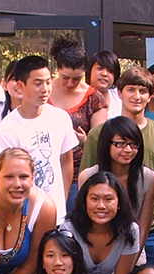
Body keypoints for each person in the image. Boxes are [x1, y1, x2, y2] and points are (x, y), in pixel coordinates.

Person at [0, 55, 78, 220]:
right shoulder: (7, 129)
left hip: (56, 215)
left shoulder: (60, 118)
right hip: (23, 217)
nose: (45, 89)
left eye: (48, 82)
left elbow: (66, 160)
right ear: (21, 86)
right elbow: (3, 176)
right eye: (38, 83)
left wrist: (62, 200)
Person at [61, 172, 141, 274]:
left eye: (108, 199)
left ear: (119, 204)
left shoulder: (130, 231)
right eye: (94, 199)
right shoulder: (68, 230)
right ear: (84, 202)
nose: (101, 206)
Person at [78, 116, 154, 251]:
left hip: (132, 246)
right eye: (121, 143)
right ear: (107, 144)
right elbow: (84, 220)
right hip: (94, 247)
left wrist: (131, 261)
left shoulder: (148, 178)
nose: (128, 150)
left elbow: (143, 227)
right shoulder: (88, 176)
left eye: (134, 144)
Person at [48, 35, 108, 205]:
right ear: (58, 69)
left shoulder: (93, 98)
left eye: (77, 79)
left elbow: (101, 141)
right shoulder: (44, 92)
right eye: (65, 77)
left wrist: (86, 141)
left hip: (78, 175)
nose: (70, 83)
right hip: (47, 169)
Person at [80, 67, 154, 175]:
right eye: (131, 90)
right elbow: (86, 179)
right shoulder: (97, 134)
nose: (137, 97)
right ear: (119, 93)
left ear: (149, 97)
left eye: (143, 91)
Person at [86, 49, 123, 119]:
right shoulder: (79, 97)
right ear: (89, 70)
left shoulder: (120, 98)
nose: (104, 74)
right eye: (100, 68)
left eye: (110, 71)